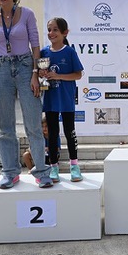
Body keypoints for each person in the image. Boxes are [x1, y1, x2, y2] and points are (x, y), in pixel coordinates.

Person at [0, 0, 53, 189]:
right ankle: (10, 173)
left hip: (25, 67)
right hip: (1, 69)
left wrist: (35, 74)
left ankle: (41, 172)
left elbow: (35, 46)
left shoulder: (27, 14)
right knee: (5, 127)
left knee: (33, 124)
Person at [39, 17, 84, 182]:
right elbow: (38, 72)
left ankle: (74, 166)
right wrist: (42, 73)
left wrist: (58, 76)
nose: (51, 33)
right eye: (49, 30)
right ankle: (53, 167)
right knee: (52, 134)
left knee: (69, 132)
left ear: (65, 32)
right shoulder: (44, 52)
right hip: (50, 99)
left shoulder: (69, 52)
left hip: (66, 99)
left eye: (55, 30)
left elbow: (78, 75)